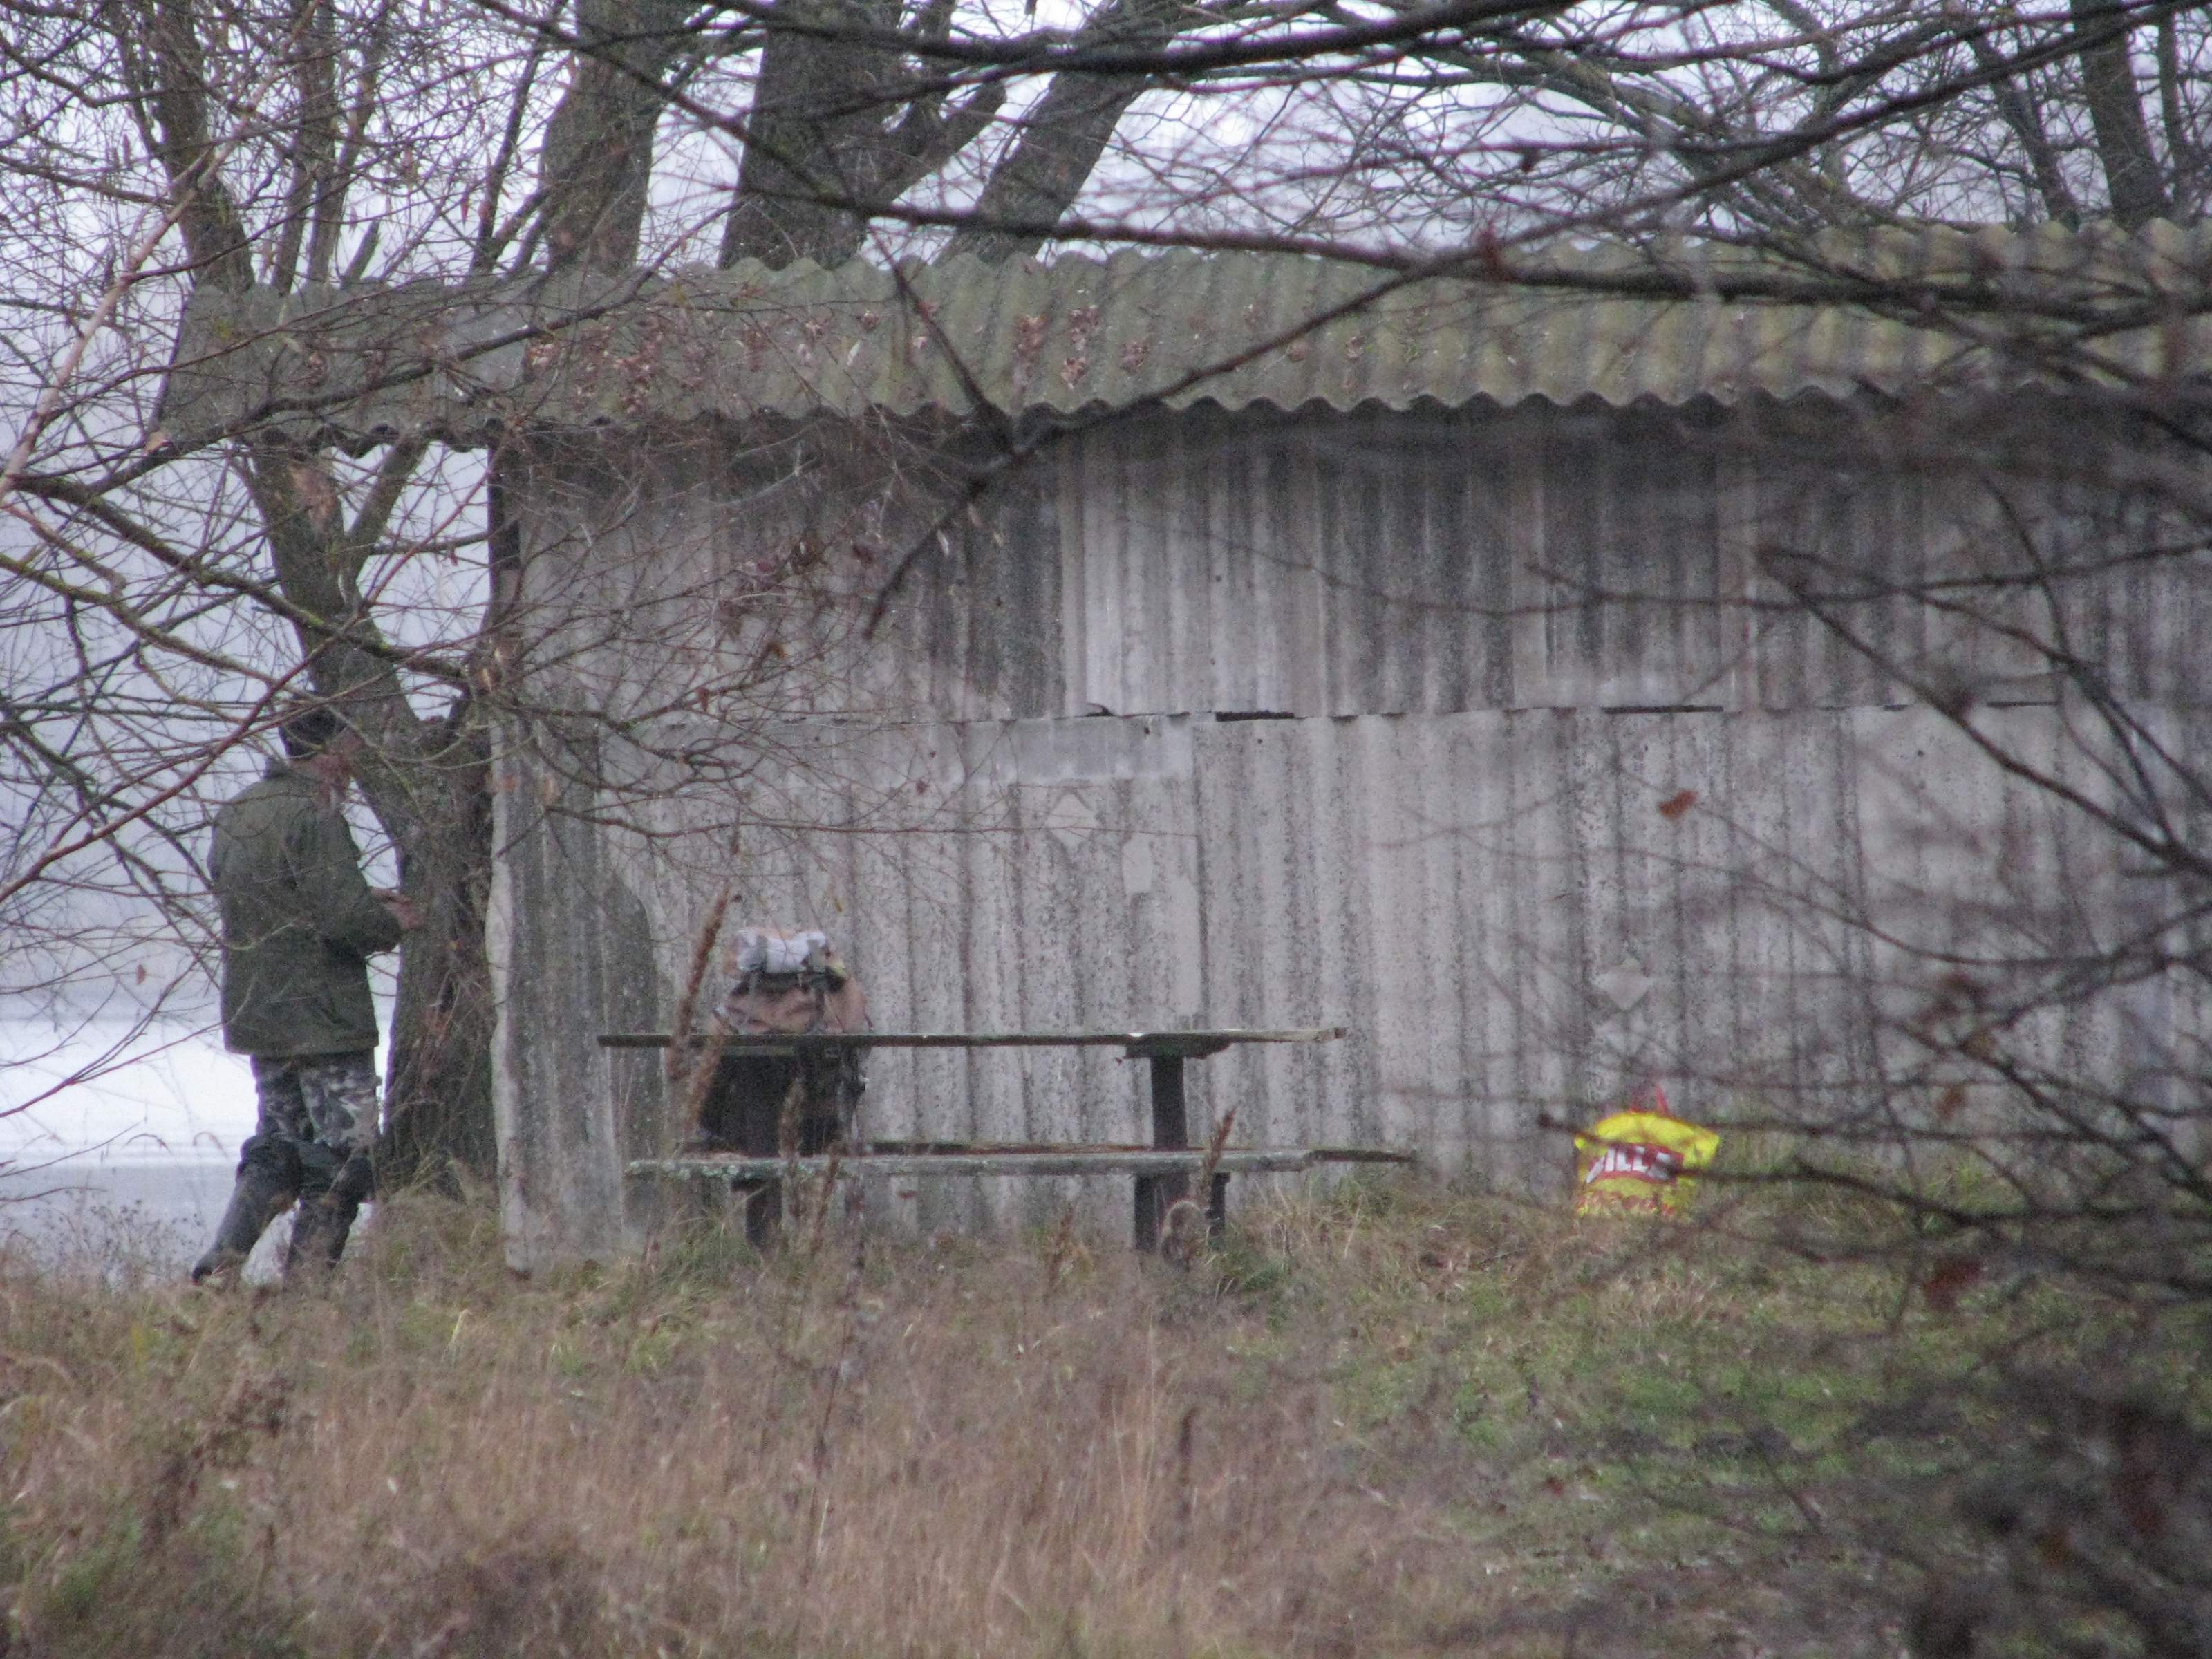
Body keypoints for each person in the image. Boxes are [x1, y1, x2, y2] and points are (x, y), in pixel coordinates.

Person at [190, 704, 420, 1284]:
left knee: (278, 1147)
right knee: (345, 1157)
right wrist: (392, 922)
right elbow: (346, 920)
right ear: (331, 750)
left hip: (258, 1013)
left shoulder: (239, 812)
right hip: (324, 1018)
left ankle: (220, 1265)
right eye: (352, 746)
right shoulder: (316, 814)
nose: (356, 761)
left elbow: (265, 900)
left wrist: (360, 900)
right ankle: (307, 1286)